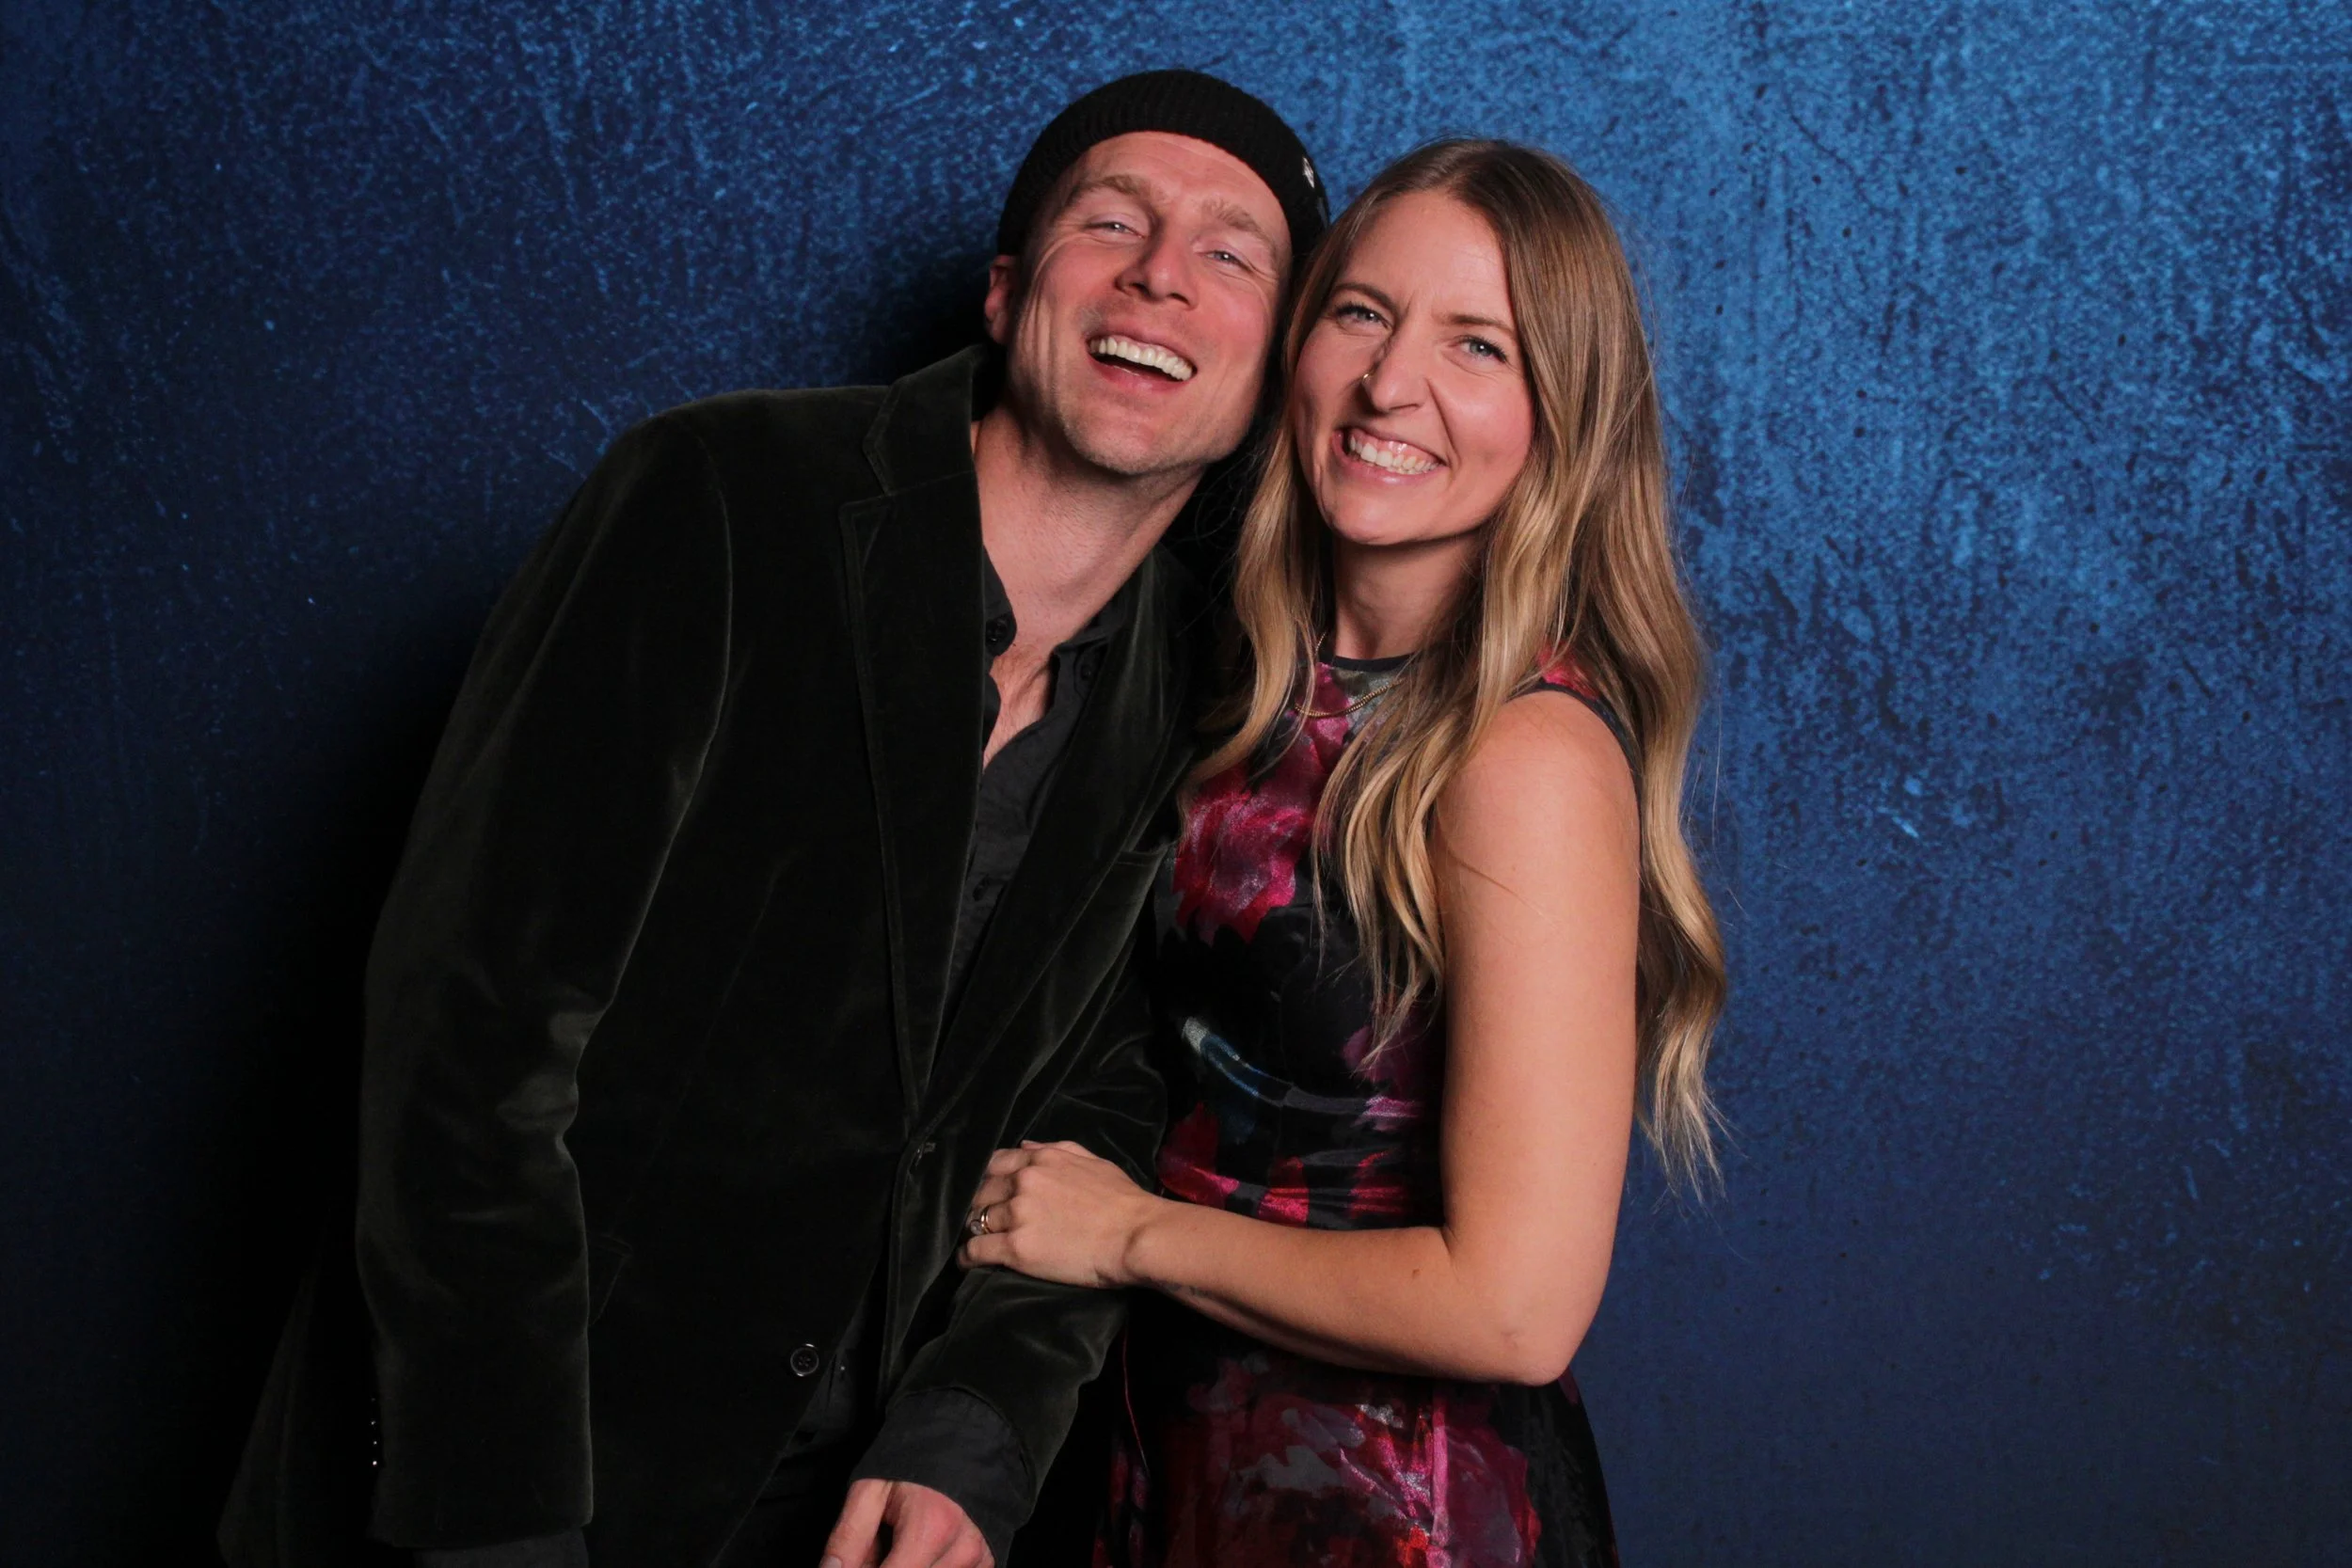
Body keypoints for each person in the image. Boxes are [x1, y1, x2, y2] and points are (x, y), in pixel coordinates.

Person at [215, 71, 1328, 1568]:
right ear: (1008, 292)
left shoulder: (1201, 690)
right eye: (1111, 222)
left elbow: (1101, 1096)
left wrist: (975, 1429)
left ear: (1273, 370)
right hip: (498, 1481)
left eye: (1230, 253)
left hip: (833, 1523)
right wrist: (502, 1520)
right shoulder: (721, 498)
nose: (1160, 276)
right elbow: (468, 1034)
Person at [954, 140, 1726, 1566]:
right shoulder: (1242, 683)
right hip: (1164, 1465)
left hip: (1395, 1512)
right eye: (1362, 313)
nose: (1389, 383)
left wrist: (1126, 1235)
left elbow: (1516, 1307)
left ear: (1562, 420)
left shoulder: (1524, 757)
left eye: (1478, 345)